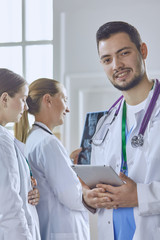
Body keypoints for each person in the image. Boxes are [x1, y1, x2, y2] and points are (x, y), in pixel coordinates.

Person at [82, 21, 160, 240]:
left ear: (142, 51)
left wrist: (141, 196)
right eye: (107, 59)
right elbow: (98, 184)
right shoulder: (106, 123)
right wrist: (89, 197)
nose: (116, 65)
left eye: (124, 53)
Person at [15, 78, 90, 240]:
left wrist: (68, 163)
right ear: (48, 99)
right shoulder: (48, 143)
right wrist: (89, 182)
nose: (68, 109)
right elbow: (72, 197)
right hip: (64, 231)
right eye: (64, 99)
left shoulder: (34, 138)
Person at [0, 68, 41, 240]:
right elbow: (9, 208)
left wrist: (28, 188)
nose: (25, 107)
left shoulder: (6, 139)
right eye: (23, 100)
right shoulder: (2, 142)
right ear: (4, 99)